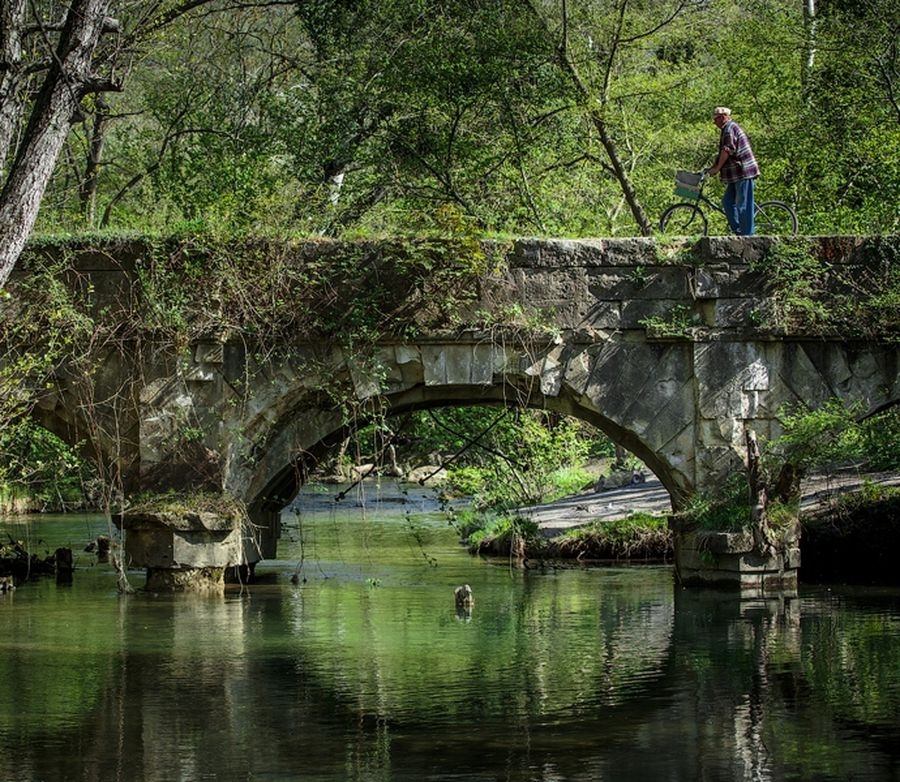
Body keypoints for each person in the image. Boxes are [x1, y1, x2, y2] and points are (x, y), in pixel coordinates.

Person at [705, 107, 759, 236]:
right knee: (728, 202)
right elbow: (721, 153)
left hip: (743, 171)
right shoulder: (726, 130)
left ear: (723, 117)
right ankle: (738, 231)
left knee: (743, 205)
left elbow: (727, 150)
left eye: (716, 119)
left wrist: (717, 168)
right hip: (734, 174)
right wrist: (713, 167)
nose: (715, 122)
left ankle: (748, 236)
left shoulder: (730, 129)